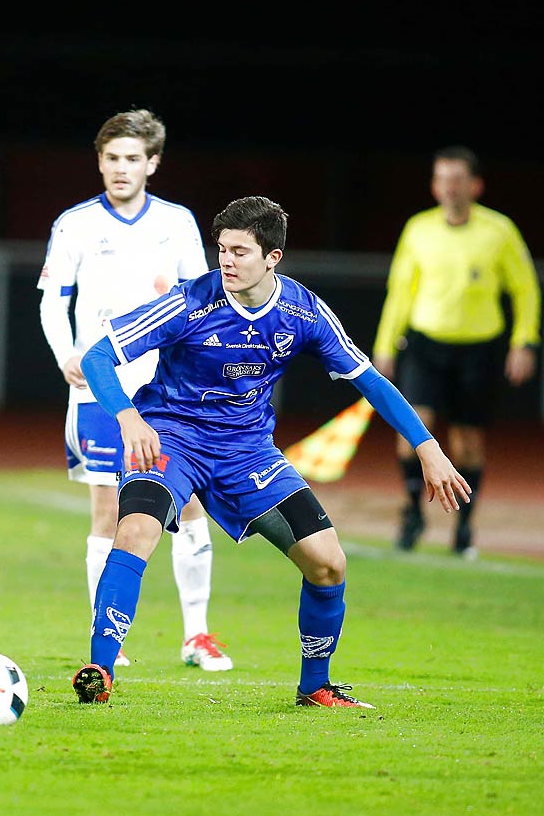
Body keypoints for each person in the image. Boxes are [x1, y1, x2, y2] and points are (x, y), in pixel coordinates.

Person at [73, 196, 470, 709]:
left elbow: (371, 380)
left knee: (328, 564)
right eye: (222, 250)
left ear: (272, 257)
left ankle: (316, 686)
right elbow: (99, 356)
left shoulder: (302, 311)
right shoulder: (191, 301)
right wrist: (129, 419)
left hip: (247, 453)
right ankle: (99, 671)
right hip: (172, 438)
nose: (227, 262)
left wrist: (428, 448)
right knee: (135, 531)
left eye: (240, 251)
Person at [37, 108, 229, 672]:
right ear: (99, 162)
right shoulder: (74, 224)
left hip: (168, 392)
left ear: (153, 163)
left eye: (132, 159)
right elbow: (53, 299)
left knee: (188, 504)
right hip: (100, 388)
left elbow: (202, 299)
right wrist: (66, 355)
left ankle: (197, 635)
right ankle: (109, 639)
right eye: (112, 159)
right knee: (108, 510)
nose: (121, 169)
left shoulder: (177, 223)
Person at [372, 146, 540, 557]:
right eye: (443, 179)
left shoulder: (499, 231)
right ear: (434, 186)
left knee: (467, 441)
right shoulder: (418, 229)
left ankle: (463, 527)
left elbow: (526, 289)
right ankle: (413, 512)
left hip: (479, 349)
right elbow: (400, 291)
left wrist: (525, 341)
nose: (450, 187)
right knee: (413, 430)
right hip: (426, 345)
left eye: (458, 179)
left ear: (475, 185)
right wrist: (383, 346)